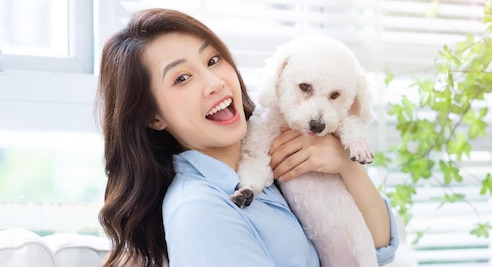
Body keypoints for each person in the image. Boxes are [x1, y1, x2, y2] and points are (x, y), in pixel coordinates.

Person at [97, 8, 399, 267]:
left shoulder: (278, 150)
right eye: (182, 78)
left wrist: (347, 165)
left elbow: (380, 247)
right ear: (154, 116)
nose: (214, 83)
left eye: (213, 60)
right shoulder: (201, 210)